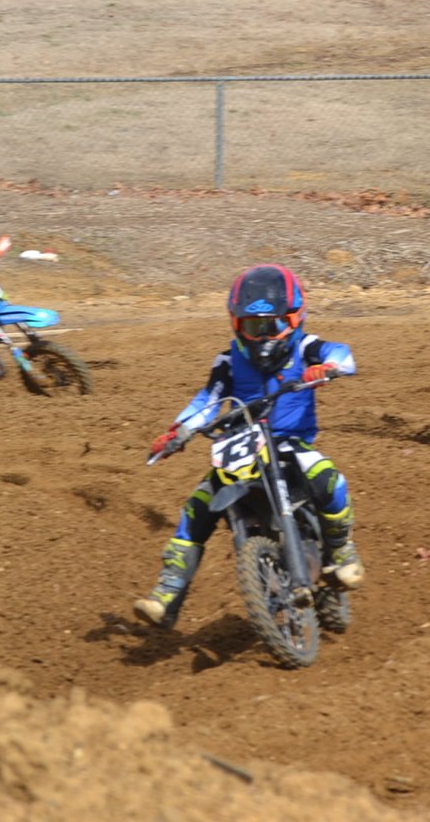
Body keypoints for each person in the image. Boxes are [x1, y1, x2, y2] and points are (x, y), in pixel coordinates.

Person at [134, 264, 363, 629]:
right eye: (253, 327)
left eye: (272, 326)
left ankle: (341, 551)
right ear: (236, 324)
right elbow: (208, 401)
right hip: (242, 444)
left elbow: (343, 353)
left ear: (294, 319)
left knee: (328, 478)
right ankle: (167, 594)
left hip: (289, 443)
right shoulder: (229, 361)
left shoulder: (305, 347)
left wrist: (329, 367)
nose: (262, 336)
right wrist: (179, 430)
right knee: (196, 507)